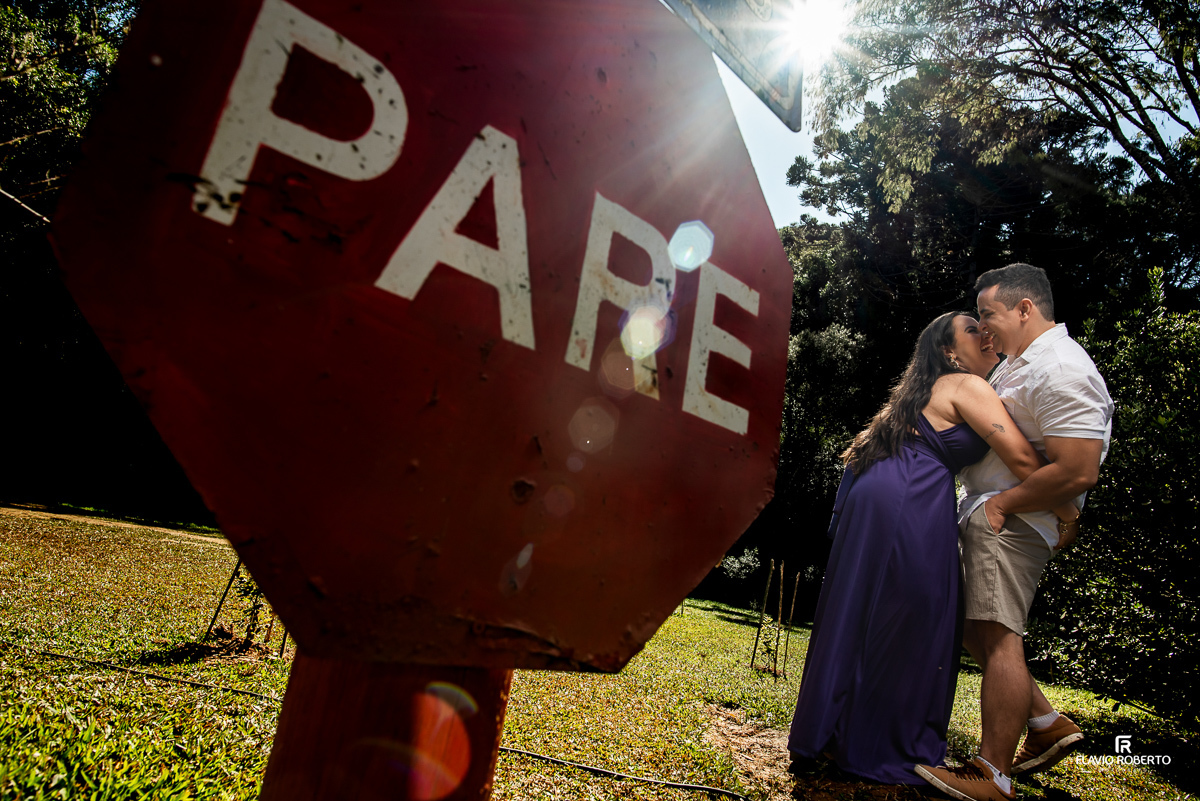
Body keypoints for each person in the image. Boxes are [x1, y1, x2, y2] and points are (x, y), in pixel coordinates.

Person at [787, 311, 1077, 783]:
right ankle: (876, 742)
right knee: (916, 613)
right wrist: (1067, 511)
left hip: (888, 488)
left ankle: (833, 731)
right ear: (948, 352)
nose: (985, 334)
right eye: (972, 330)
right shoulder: (966, 385)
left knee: (868, 608)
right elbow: (1023, 458)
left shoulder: (926, 390)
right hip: (909, 492)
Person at [916, 263, 1113, 801]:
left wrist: (1004, 504)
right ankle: (1046, 722)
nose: (982, 328)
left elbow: (1079, 470)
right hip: (992, 512)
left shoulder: (1062, 367)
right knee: (973, 628)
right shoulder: (1018, 364)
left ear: (1025, 309)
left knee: (1000, 635)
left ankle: (992, 774)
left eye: (988, 314)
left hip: (1011, 520)